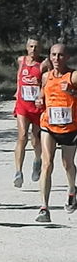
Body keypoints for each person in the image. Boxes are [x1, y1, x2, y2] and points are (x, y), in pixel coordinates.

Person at [34, 43, 77, 223]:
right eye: (53, 55)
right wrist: (39, 99)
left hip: (70, 128)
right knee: (47, 164)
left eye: (60, 55)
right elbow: (43, 93)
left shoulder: (73, 76)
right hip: (49, 125)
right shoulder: (46, 76)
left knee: (67, 164)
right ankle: (44, 207)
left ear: (67, 57)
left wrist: (73, 92)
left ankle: (71, 191)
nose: (56, 59)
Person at [12, 38, 50, 188]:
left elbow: (48, 82)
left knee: (35, 139)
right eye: (31, 46)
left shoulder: (44, 64)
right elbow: (19, 77)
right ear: (26, 48)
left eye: (36, 47)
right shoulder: (21, 60)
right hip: (22, 104)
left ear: (40, 49)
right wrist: (17, 90)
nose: (33, 49)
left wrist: (41, 90)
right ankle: (18, 172)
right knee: (22, 136)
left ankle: (37, 160)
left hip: (37, 106)